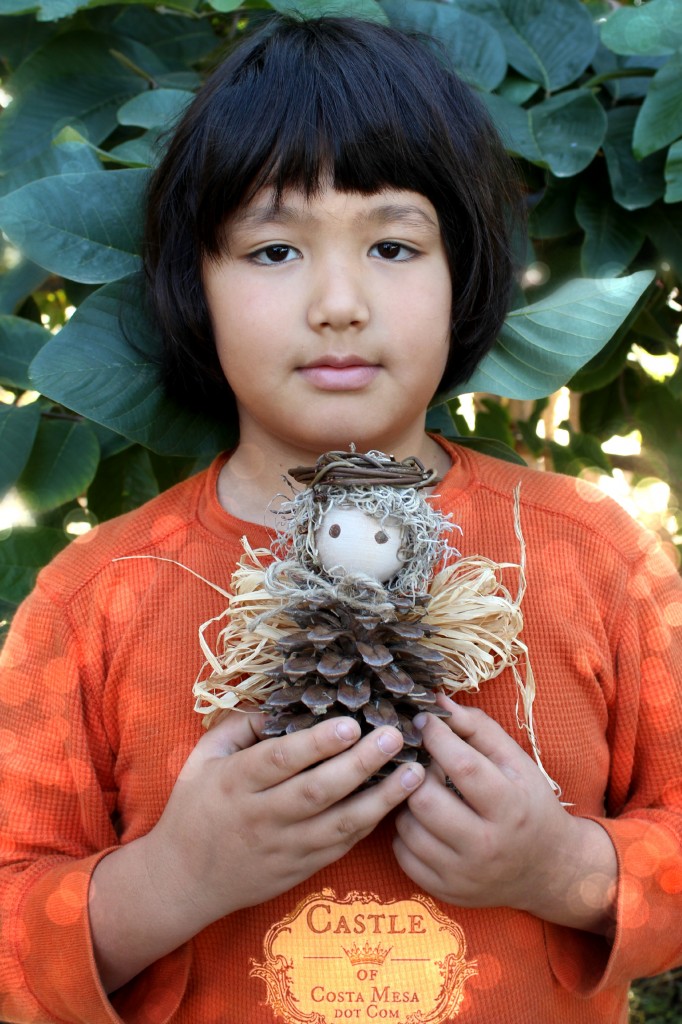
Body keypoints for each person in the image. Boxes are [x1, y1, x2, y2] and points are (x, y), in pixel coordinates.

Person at [1, 15, 681, 1024]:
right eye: (274, 248)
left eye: (394, 244)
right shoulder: (94, 598)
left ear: (465, 275)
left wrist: (566, 869)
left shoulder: (596, 554)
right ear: (194, 284)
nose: (337, 301)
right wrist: (173, 879)